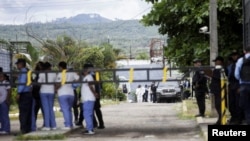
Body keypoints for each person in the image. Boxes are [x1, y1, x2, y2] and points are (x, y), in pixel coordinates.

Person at [55, 61, 79, 130]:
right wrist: (73, 83)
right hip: (71, 93)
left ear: (60, 67)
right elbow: (78, 78)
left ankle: (68, 125)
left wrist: (56, 88)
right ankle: (70, 124)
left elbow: (58, 84)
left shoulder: (60, 74)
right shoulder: (71, 73)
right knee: (69, 109)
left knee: (65, 110)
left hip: (62, 93)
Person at [15, 58, 33, 134]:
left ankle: (23, 129)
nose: (17, 66)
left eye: (18, 64)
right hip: (28, 93)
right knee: (27, 112)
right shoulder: (27, 71)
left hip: (24, 94)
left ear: (21, 64)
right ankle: (27, 129)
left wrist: (19, 93)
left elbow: (22, 83)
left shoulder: (23, 72)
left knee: (23, 113)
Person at [38, 62, 57, 130]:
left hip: (43, 91)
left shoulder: (42, 74)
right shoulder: (54, 74)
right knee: (51, 108)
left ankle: (47, 126)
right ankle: (54, 125)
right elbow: (55, 83)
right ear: (50, 67)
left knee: (46, 109)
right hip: (51, 91)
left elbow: (39, 83)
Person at [227, 51, 244, 125]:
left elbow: (239, 76)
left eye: (235, 55)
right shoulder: (232, 65)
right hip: (232, 85)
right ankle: (234, 117)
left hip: (238, 84)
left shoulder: (240, 63)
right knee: (231, 103)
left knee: (238, 103)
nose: (234, 57)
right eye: (233, 56)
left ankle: (239, 119)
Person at [235, 46, 250, 125]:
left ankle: (248, 120)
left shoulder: (241, 60)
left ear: (244, 51)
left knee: (246, 105)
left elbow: (236, 74)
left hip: (244, 85)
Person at [210, 56, 227, 125]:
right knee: (218, 105)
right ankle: (220, 119)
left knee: (219, 105)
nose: (215, 63)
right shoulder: (217, 69)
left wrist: (212, 75)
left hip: (220, 91)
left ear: (220, 61)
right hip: (217, 90)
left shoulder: (222, 69)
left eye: (216, 61)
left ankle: (221, 119)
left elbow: (221, 78)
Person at [81, 64, 97, 135]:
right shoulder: (88, 77)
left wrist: (94, 93)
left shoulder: (88, 77)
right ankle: (90, 128)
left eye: (84, 70)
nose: (83, 71)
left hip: (88, 98)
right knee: (89, 114)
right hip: (89, 98)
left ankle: (89, 129)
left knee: (87, 114)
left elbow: (90, 86)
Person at [31, 61, 44, 131]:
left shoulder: (40, 75)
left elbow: (37, 84)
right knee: (36, 111)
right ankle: (34, 125)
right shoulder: (38, 75)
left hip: (38, 95)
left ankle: (34, 125)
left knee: (36, 111)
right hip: (37, 95)